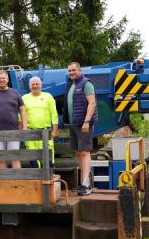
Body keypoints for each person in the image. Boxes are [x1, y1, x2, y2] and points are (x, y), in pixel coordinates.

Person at [62, 62, 98, 195]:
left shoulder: (86, 83)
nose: (71, 72)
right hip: (73, 124)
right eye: (69, 71)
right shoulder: (71, 84)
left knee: (85, 152)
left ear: (79, 70)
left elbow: (92, 103)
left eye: (73, 70)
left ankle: (86, 184)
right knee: (78, 153)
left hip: (84, 124)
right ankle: (83, 182)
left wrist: (87, 121)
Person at [22, 76, 57, 168]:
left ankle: (49, 179)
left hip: (46, 132)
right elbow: (20, 116)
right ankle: (37, 180)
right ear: (29, 86)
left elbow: (54, 114)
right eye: (33, 84)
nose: (35, 86)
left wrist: (54, 130)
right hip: (30, 132)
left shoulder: (48, 96)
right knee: (33, 158)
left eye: (37, 84)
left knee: (48, 157)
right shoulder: (24, 98)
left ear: (41, 85)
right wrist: (22, 131)